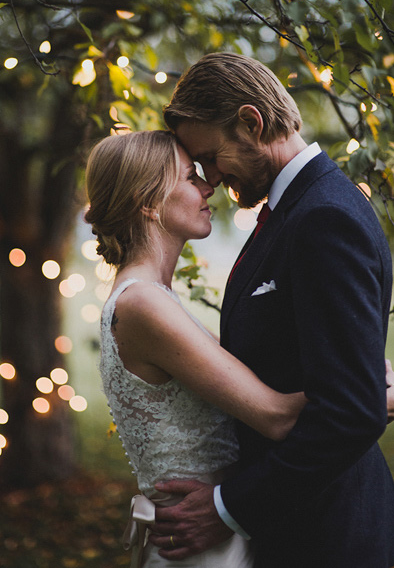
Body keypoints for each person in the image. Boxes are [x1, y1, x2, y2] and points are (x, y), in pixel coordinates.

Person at [149, 52, 394, 567]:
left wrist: (227, 508)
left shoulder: (324, 218)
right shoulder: (293, 210)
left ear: (250, 122)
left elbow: (351, 411)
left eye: (211, 156)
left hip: (329, 534)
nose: (211, 177)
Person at [85, 129, 307, 567]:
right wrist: (368, 392)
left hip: (210, 532)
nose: (209, 186)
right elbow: (275, 415)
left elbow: (253, 374)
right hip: (200, 544)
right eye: (190, 177)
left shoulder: (153, 298)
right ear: (147, 202)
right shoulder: (143, 304)